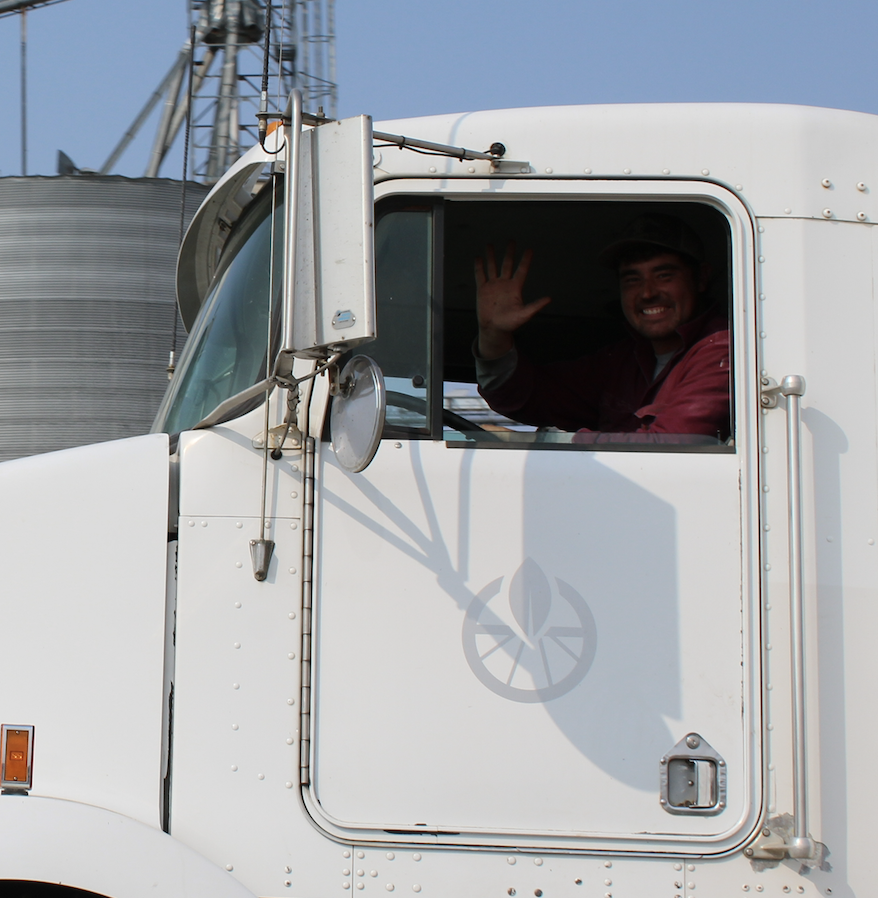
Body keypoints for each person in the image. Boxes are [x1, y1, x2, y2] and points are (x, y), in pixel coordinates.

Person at [473, 213, 731, 443]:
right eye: (632, 279)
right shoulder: (620, 361)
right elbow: (524, 397)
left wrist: (548, 441)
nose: (648, 292)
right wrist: (494, 335)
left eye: (664, 275)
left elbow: (673, 444)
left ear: (701, 278)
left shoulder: (722, 349)